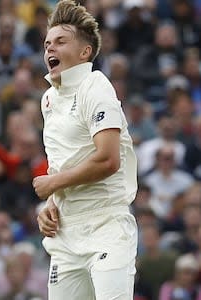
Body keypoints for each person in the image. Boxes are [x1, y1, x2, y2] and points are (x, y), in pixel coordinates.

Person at [32, 1, 138, 299]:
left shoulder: (96, 86)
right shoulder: (48, 100)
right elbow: (64, 162)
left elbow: (107, 159)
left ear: (85, 52)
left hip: (106, 226)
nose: (50, 49)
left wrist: (54, 183)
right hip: (66, 233)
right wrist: (52, 203)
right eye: (47, 43)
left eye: (61, 41)